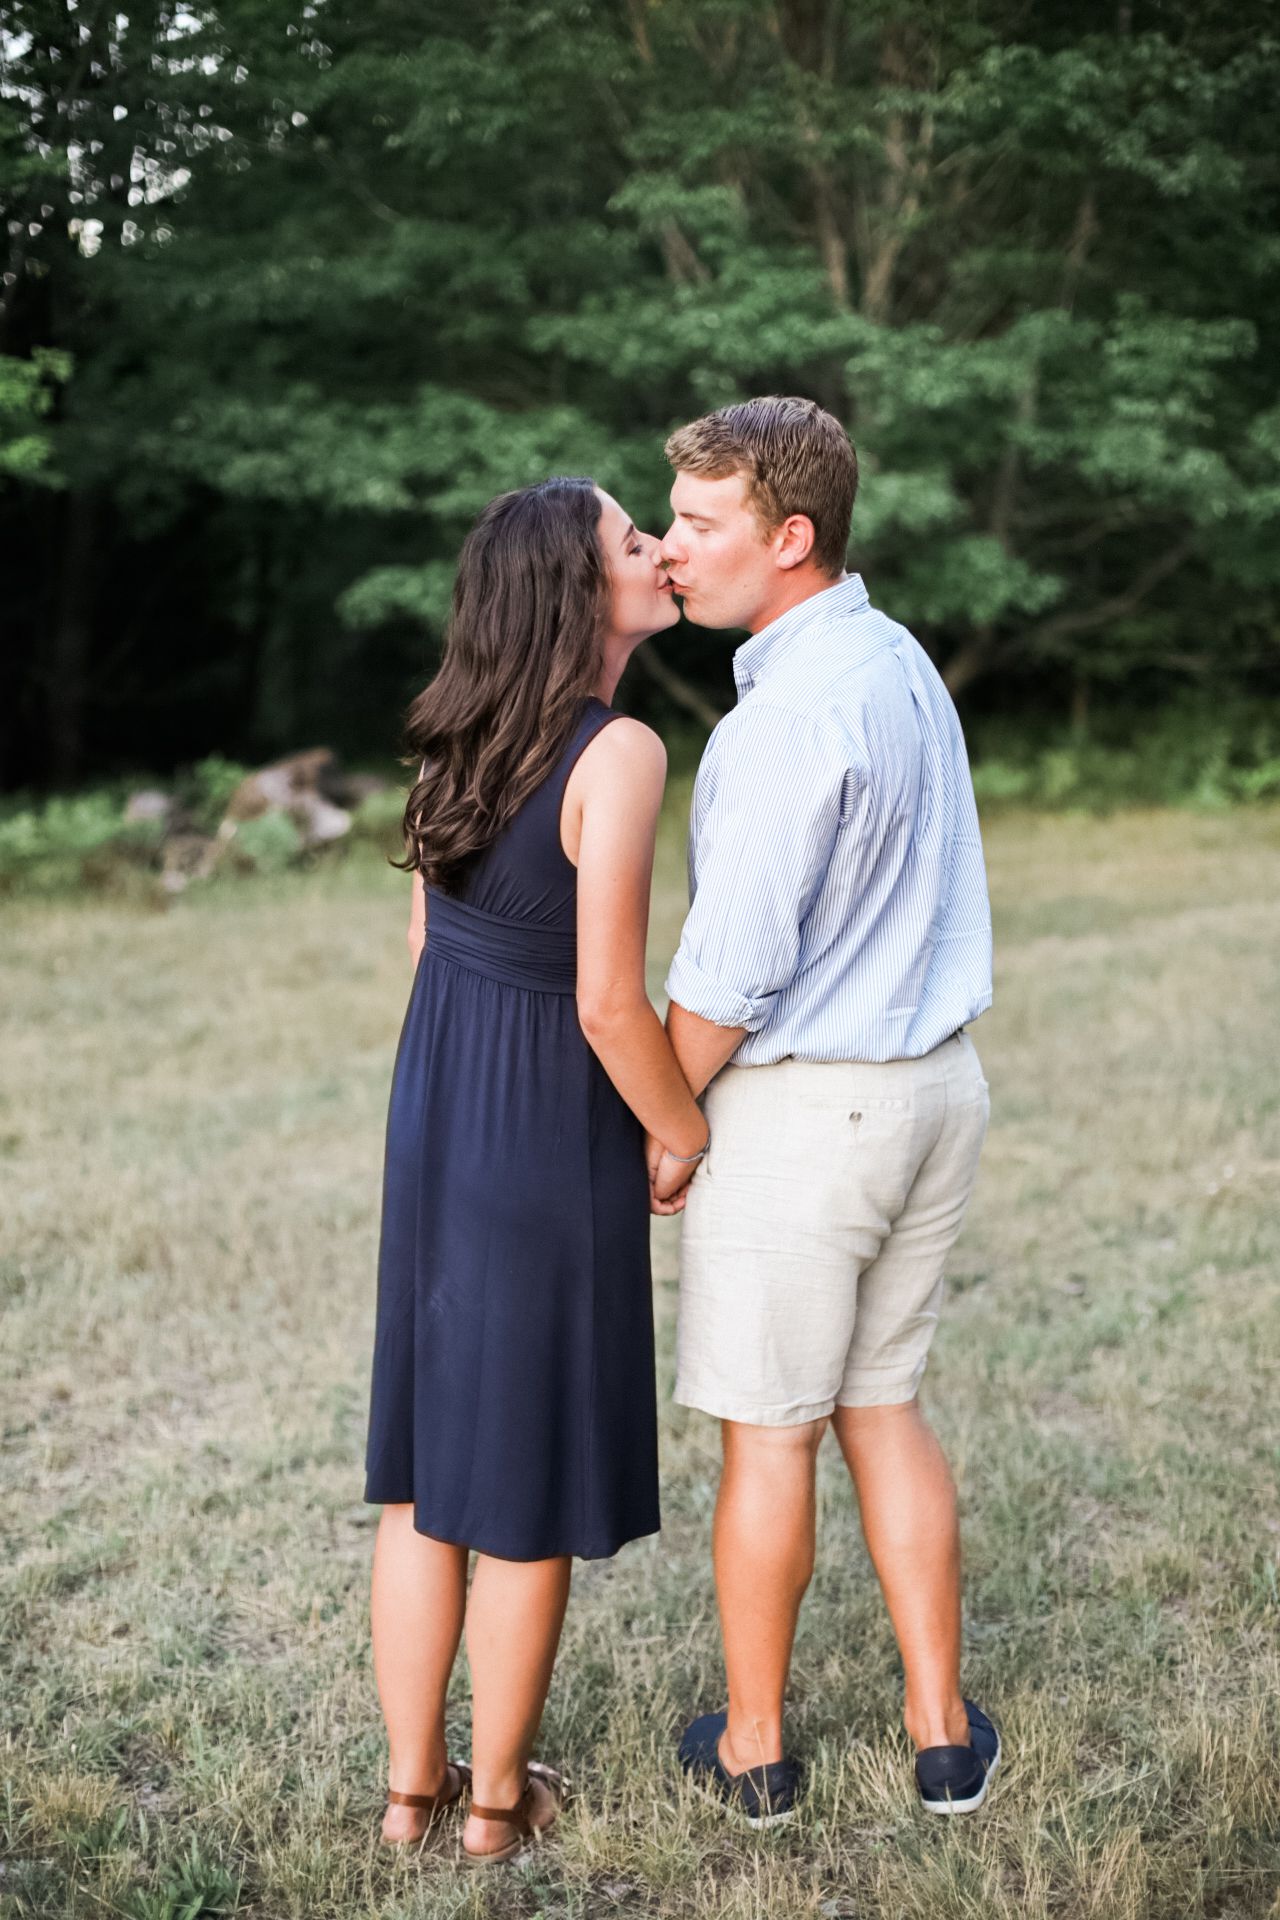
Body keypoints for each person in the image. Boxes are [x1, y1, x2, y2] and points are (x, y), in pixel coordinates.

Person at [650, 396, 1000, 1824]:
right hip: (937, 1095)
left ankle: (756, 1748)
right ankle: (938, 1738)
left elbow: (730, 977)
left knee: (771, 1432)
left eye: (697, 522)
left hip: (810, 1120)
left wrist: (665, 1123)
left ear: (788, 539)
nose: (671, 549)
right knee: (885, 1404)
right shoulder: (894, 655)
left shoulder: (787, 714)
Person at [363, 477, 709, 1864]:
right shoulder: (618, 752)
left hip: (437, 1115)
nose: (662, 555)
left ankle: (408, 1794)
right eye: (636, 542)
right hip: (537, 1132)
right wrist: (678, 1130)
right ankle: (496, 1808)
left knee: (425, 1475)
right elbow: (609, 1002)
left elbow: (423, 949)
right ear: (581, 589)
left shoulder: (447, 742)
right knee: (519, 1482)